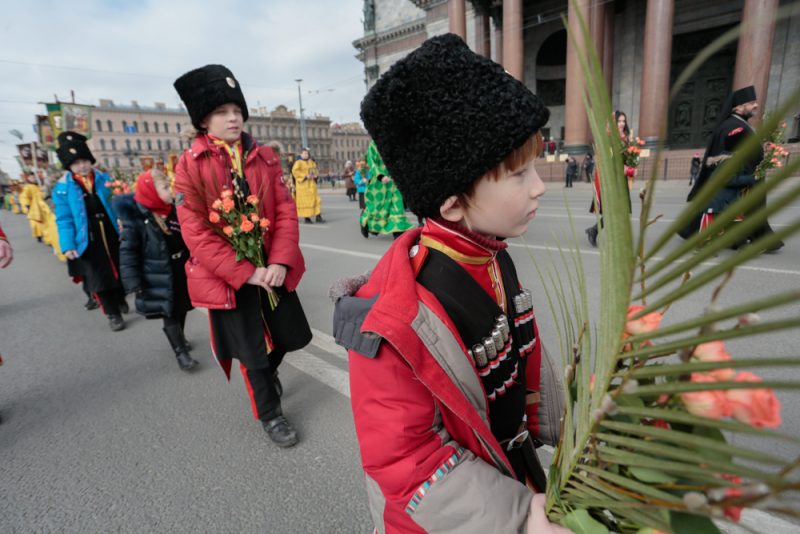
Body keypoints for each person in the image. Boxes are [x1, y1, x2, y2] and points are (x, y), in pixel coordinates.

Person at [332, 34, 568, 533]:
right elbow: (408, 461)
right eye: (519, 173)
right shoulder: (393, 317)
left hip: (512, 478)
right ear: (453, 203)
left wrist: (581, 427)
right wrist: (519, 516)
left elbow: (521, 364)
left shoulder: (492, 255)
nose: (539, 185)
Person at [173, 64, 311, 447]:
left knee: (289, 336)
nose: (232, 117)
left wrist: (280, 261)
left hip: (274, 270)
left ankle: (270, 371)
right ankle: (271, 415)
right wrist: (246, 271)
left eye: (236, 109)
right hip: (231, 278)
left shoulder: (265, 156)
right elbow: (196, 231)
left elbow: (284, 210)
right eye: (221, 111)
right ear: (203, 120)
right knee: (252, 352)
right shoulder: (189, 166)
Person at [680, 85, 783, 252]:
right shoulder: (734, 127)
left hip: (745, 176)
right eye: (751, 103)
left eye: (755, 102)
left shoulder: (739, 123)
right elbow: (731, 154)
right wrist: (750, 174)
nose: (755, 105)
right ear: (738, 107)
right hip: (741, 178)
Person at [114, 169, 198, 371]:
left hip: (180, 268)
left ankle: (181, 337)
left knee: (183, 307)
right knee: (168, 311)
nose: (169, 191)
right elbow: (128, 253)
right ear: (151, 191)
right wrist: (133, 283)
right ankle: (180, 353)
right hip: (158, 273)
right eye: (164, 187)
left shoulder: (174, 211)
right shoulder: (136, 220)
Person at [53, 131, 128, 332]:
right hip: (87, 237)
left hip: (112, 231)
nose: (82, 166)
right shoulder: (63, 188)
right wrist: (68, 245)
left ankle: (120, 298)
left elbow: (118, 202)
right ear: (69, 166)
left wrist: (123, 219)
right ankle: (113, 313)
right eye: (76, 163)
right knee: (98, 275)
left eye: (84, 160)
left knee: (119, 268)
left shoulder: (104, 178)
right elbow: (64, 219)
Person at [585, 110, 631, 247]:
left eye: (624, 121)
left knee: (619, 210)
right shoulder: (609, 138)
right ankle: (595, 231)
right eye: (619, 121)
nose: (622, 124)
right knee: (615, 210)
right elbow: (606, 158)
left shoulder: (626, 137)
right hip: (612, 179)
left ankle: (595, 231)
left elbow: (627, 157)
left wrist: (631, 165)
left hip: (621, 179)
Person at [358, 142, 415, 239]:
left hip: (394, 181)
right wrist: (380, 176)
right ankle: (365, 224)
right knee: (378, 209)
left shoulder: (393, 144)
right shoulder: (374, 145)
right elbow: (372, 162)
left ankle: (398, 231)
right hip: (379, 184)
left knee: (397, 205)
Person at [292, 148, 325, 224]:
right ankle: (307, 218)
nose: (306, 155)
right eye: (304, 153)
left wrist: (316, 175)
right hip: (303, 186)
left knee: (316, 200)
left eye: (307, 153)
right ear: (301, 154)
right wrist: (305, 176)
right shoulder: (298, 163)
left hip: (312, 185)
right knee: (305, 202)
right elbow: (295, 172)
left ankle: (318, 216)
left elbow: (315, 169)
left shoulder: (311, 162)